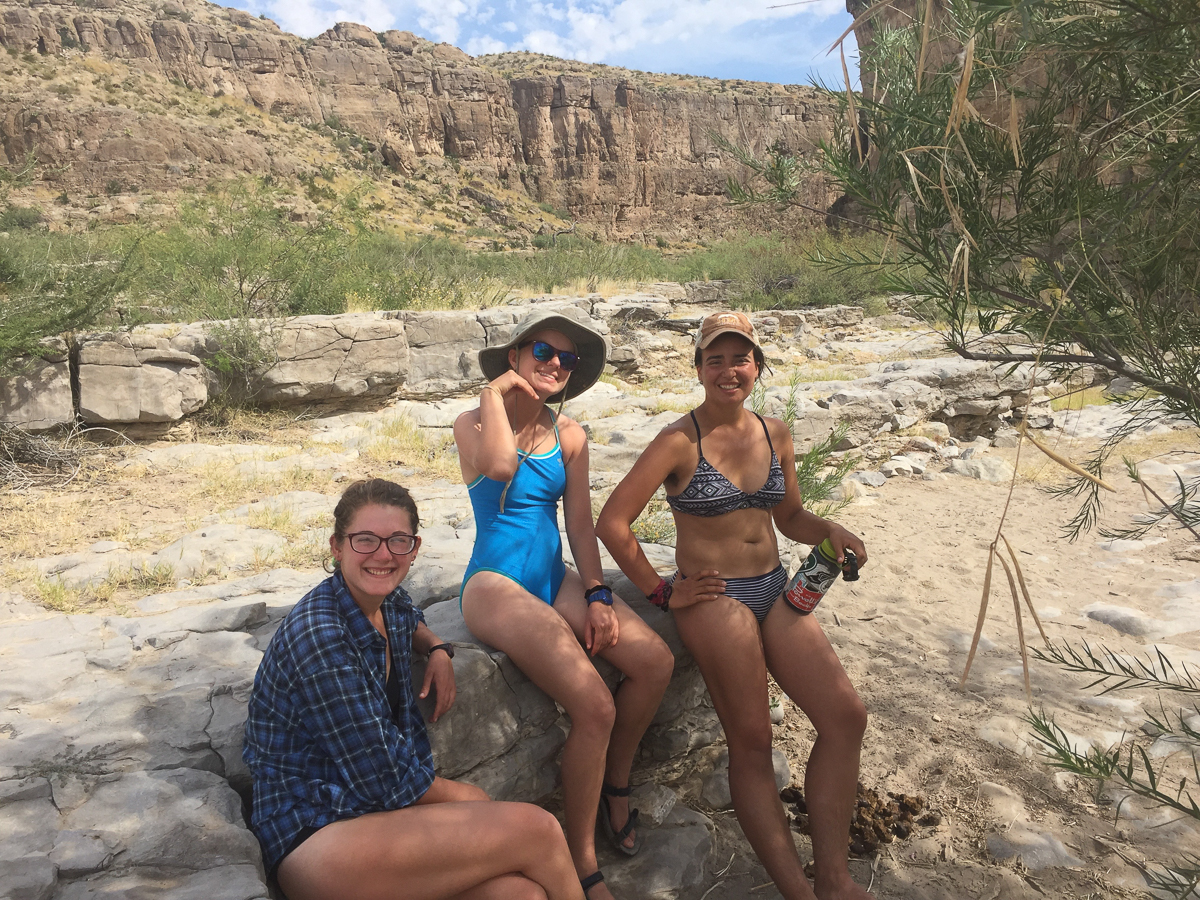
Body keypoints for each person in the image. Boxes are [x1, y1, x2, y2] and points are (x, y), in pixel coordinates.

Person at [596, 312, 874, 900]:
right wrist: (661, 592)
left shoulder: (775, 432)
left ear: (757, 366)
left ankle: (834, 877)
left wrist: (832, 528)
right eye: (715, 359)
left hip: (775, 584)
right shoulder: (678, 441)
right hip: (713, 597)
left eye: (739, 358)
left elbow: (790, 516)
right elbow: (612, 523)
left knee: (846, 715)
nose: (728, 370)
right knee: (751, 741)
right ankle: (796, 890)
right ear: (699, 368)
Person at [243, 478, 584, 900]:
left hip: (371, 820)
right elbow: (383, 779)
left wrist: (437, 648)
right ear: (336, 546)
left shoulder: (382, 602)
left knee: (519, 895)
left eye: (397, 541)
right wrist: (471, 798)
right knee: (539, 829)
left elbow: (409, 612)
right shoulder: (321, 638)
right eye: (365, 540)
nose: (383, 554)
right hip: (315, 837)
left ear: (414, 549)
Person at [453, 309, 675, 900]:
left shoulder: (570, 435)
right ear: (515, 358)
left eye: (567, 359)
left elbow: (579, 524)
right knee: (595, 706)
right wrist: (493, 395)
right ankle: (580, 859)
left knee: (654, 662)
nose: (555, 364)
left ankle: (616, 781)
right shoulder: (470, 422)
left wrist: (599, 594)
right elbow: (499, 466)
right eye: (544, 352)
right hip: (495, 584)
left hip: (553, 576)